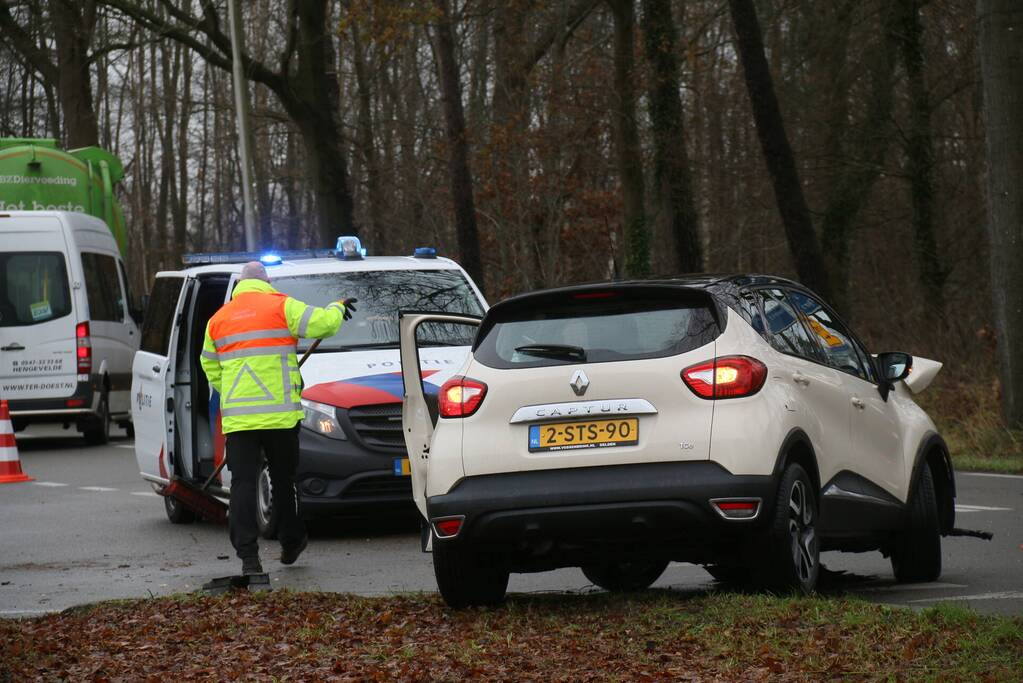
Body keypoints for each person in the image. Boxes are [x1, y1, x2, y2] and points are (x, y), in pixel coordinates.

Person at [199, 261, 355, 575]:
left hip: (241, 420)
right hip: (280, 416)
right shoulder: (282, 306)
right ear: (266, 282)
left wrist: (231, 389)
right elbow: (324, 324)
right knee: (284, 482)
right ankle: (290, 541)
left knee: (242, 485)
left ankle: (249, 558)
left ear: (240, 285)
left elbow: (209, 365)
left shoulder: (218, 320)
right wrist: (337, 307)